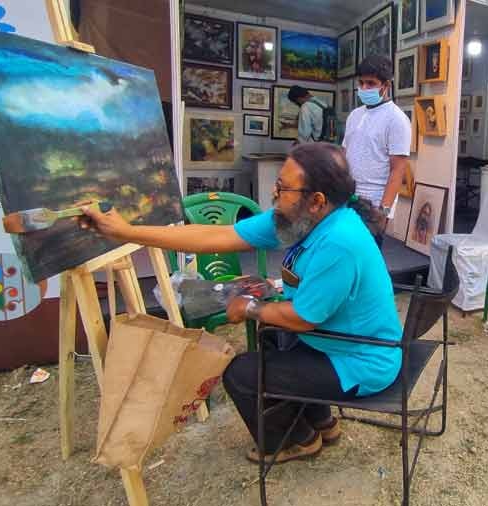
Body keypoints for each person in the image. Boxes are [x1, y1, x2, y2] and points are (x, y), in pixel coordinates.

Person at [79, 143, 401, 464]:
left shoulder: (339, 241)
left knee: (241, 373)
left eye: (283, 188)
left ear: (316, 200)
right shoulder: (302, 218)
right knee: (273, 335)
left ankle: (295, 440)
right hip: (339, 344)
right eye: (278, 184)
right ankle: (321, 424)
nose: (275, 194)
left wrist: (249, 307)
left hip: (362, 362)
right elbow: (213, 236)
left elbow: (304, 318)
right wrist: (127, 232)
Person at [342, 55, 412, 246]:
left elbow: (398, 170)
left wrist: (384, 211)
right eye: (362, 82)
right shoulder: (355, 115)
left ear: (386, 85)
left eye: (371, 83)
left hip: (374, 202)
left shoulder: (397, 119)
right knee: (343, 250)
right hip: (348, 197)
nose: (364, 88)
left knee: (367, 256)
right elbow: (345, 155)